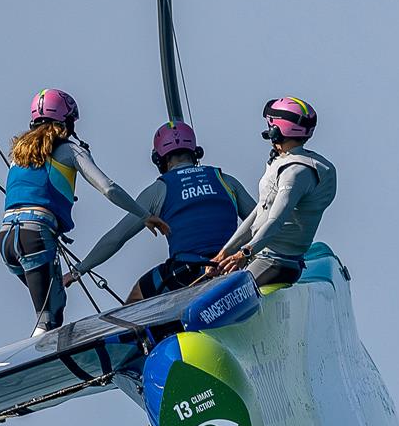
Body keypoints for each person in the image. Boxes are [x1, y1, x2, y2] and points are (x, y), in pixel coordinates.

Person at [0, 89, 169, 335]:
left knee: (55, 301)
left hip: (6, 240)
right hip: (35, 237)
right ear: (66, 121)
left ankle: (43, 343)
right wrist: (144, 215)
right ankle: (40, 353)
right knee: (49, 317)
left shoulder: (19, 156)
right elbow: (109, 188)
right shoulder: (70, 150)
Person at [63, 121, 255, 302]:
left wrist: (78, 270)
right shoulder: (226, 180)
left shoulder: (158, 190)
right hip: (231, 266)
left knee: (137, 295)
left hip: (187, 272)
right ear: (196, 152)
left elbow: (117, 237)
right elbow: (260, 221)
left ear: (158, 159)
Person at [208, 97, 337, 287]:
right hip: (265, 257)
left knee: (218, 294)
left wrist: (244, 254)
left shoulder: (296, 173)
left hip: (275, 263)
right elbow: (259, 213)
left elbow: (275, 221)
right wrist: (225, 253)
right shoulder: (288, 162)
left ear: (277, 130)